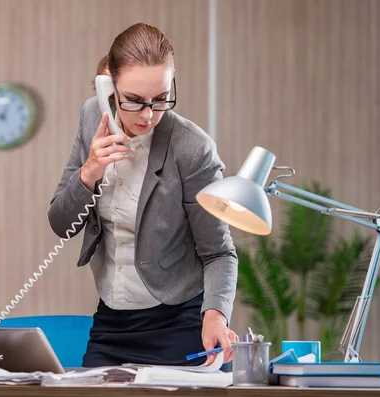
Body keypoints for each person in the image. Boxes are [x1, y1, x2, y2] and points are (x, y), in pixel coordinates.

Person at [48, 22, 239, 369]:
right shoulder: (93, 117)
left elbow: (219, 253)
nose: (148, 115)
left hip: (179, 322)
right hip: (112, 322)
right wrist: (90, 170)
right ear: (109, 84)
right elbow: (61, 225)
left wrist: (216, 316)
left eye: (161, 99)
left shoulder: (192, 150)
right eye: (134, 101)